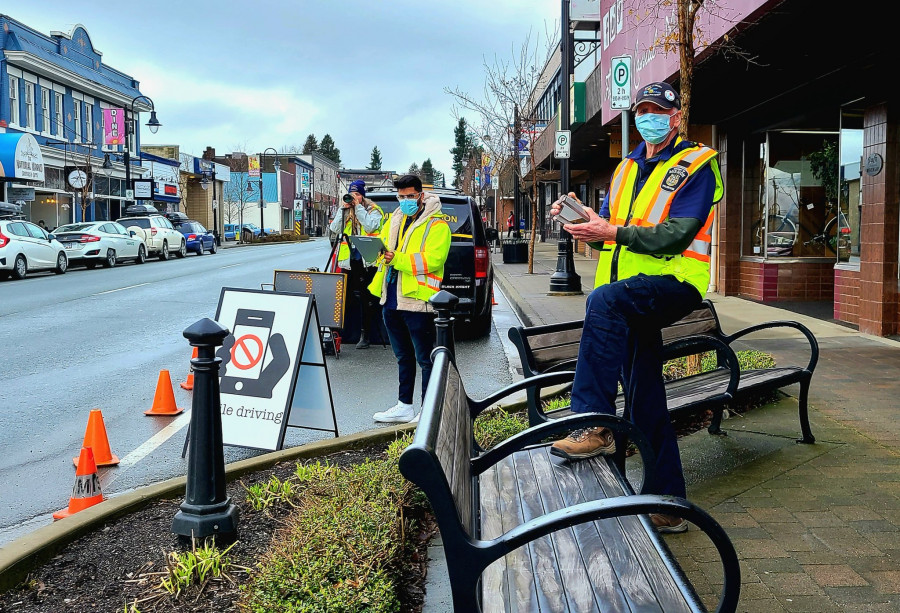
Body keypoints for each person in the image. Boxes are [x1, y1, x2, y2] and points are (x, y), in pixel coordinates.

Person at [549, 81, 723, 533]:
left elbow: (676, 235)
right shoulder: (626, 167)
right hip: (628, 294)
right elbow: (614, 224)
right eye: (641, 110)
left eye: (657, 111)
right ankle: (669, 503)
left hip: (675, 281)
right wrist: (583, 221)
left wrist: (611, 233)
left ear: (675, 117)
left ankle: (594, 424)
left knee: (601, 301)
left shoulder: (698, 164)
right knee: (646, 395)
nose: (648, 117)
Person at [369, 174, 451, 423]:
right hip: (391, 297)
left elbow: (432, 260)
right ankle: (404, 405)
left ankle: (427, 411)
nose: (405, 201)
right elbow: (384, 250)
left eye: (410, 196)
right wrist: (374, 252)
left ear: (421, 195)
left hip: (419, 302)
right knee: (403, 357)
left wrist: (396, 259)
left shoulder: (438, 225)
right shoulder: (395, 219)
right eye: (401, 196)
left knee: (425, 359)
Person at [328, 180, 384, 349]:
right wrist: (342, 209)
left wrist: (358, 207)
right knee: (344, 297)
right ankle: (341, 334)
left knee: (367, 299)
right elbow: (335, 229)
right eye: (352, 194)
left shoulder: (374, 210)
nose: (354, 197)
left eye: (357, 194)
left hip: (367, 259)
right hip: (349, 260)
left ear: (363, 195)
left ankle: (366, 334)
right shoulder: (346, 210)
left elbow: (371, 225)